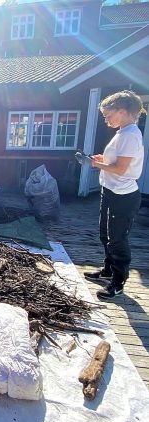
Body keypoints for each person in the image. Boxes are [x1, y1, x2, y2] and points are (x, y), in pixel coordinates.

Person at [84, 90, 145, 300]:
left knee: (117, 240)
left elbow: (120, 169)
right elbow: (116, 162)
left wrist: (95, 163)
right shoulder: (122, 133)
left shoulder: (130, 136)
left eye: (108, 115)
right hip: (110, 190)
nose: (106, 119)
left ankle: (118, 283)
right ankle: (108, 270)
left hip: (123, 197)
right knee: (105, 235)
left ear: (122, 111)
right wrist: (103, 159)